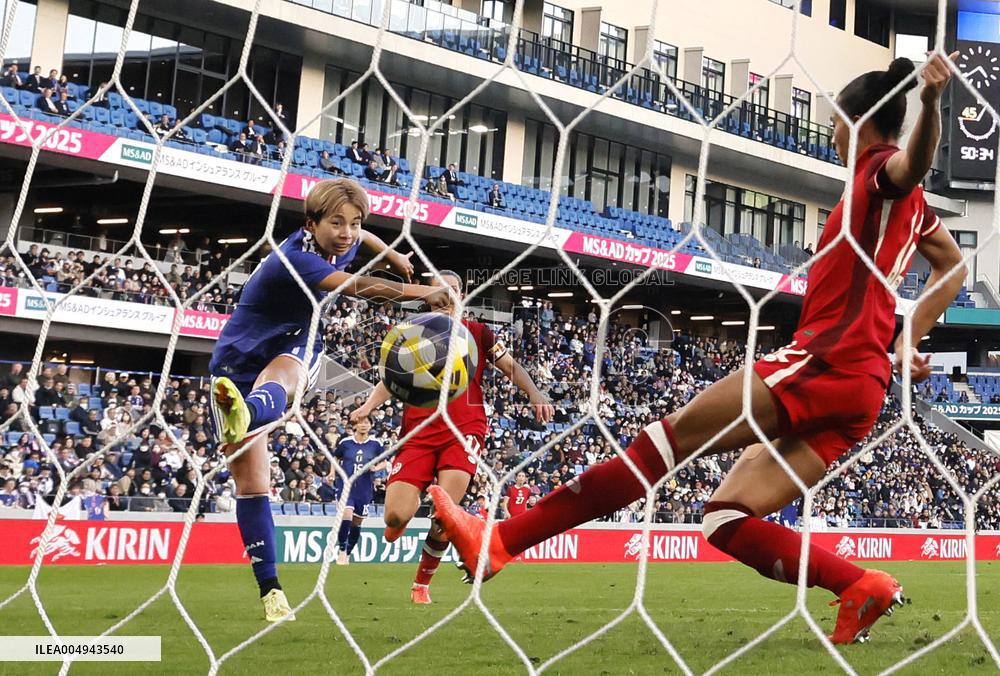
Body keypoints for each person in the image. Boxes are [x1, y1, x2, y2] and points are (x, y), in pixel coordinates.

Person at [430, 54, 965, 645]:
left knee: (662, 442)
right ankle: (859, 586)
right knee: (726, 516)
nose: (832, 133)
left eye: (835, 120)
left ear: (852, 118)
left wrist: (933, 107)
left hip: (824, 361)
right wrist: (906, 340)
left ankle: (502, 541)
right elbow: (952, 266)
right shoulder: (909, 211)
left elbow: (911, 166)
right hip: (861, 389)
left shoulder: (877, 170)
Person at [207, 178, 442, 622]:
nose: (347, 233)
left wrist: (392, 254)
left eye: (353, 223)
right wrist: (422, 293)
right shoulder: (295, 259)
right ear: (310, 223)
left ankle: (250, 413)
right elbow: (357, 288)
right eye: (337, 223)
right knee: (253, 486)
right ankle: (269, 588)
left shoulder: (341, 240)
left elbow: (363, 238)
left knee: (290, 370)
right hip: (235, 364)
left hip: (292, 344)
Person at [351, 270, 553, 605]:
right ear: (426, 297)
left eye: (454, 290)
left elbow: (510, 366)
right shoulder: (413, 335)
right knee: (395, 517)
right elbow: (392, 379)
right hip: (417, 433)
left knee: (446, 513)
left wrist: (535, 393)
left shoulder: (478, 332)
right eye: (440, 291)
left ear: (463, 294)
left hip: (464, 430)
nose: (448, 297)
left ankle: (421, 584)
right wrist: (368, 407)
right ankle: (401, 519)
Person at [332, 416, 387, 565]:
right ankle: (342, 550)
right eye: (360, 422)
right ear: (355, 425)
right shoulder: (346, 443)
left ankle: (348, 551)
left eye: (367, 423)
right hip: (346, 486)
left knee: (356, 523)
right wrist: (332, 473)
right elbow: (335, 457)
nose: (363, 425)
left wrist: (376, 468)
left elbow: (385, 461)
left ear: (371, 426)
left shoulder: (376, 444)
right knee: (346, 515)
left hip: (364, 488)